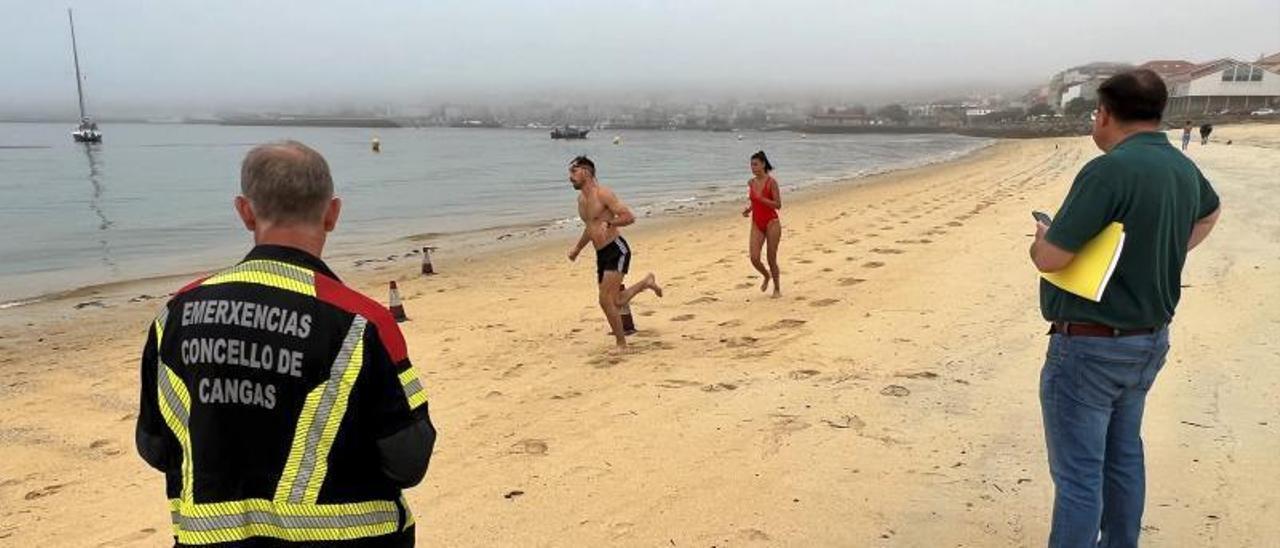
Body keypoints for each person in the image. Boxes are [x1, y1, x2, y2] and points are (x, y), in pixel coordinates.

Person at [135, 141, 437, 547]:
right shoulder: (361, 321)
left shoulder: (176, 315)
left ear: (245, 212)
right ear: (332, 214)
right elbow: (408, 461)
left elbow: (155, 448)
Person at [1029, 70, 1221, 547]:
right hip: (1147, 339)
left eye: (1097, 112)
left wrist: (1039, 243)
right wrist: (1166, 250)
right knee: (1123, 458)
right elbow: (1211, 211)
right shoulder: (1179, 165)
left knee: (1078, 476)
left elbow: (1053, 258)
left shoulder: (1109, 169)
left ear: (1105, 114)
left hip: (1089, 346)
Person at [566, 156, 663, 351]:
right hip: (601, 254)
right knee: (616, 300)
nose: (570, 177)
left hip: (616, 249)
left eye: (573, 172)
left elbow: (629, 217)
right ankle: (646, 282)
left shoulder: (604, 194)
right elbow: (590, 227)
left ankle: (621, 344)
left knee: (605, 300)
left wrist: (610, 223)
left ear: (586, 172)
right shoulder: (581, 200)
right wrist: (577, 248)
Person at [740, 150, 783, 297]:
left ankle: (777, 288)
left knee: (771, 258)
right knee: (754, 258)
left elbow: (778, 205)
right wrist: (749, 209)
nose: (753, 168)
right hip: (757, 222)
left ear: (763, 164)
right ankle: (766, 276)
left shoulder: (772, 182)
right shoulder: (751, 182)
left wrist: (761, 198)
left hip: (772, 222)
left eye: (756, 164)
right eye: (751, 165)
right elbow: (754, 200)